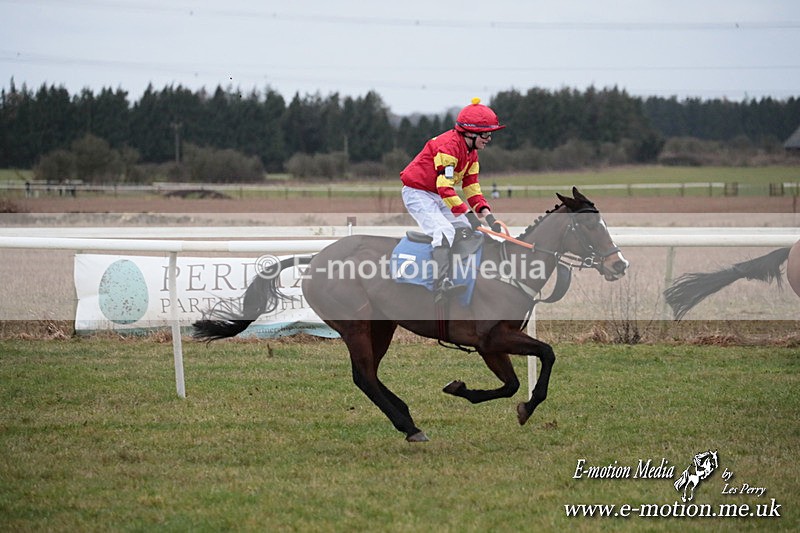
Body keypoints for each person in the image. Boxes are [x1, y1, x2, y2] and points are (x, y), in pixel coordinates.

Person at [400, 97, 504, 302]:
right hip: (417, 193)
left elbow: (471, 187)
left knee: (468, 229)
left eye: (490, 133)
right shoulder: (448, 147)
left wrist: (487, 217)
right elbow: (445, 187)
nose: (489, 138)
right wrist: (467, 213)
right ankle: (439, 285)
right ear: (471, 132)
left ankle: (463, 275)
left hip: (438, 195)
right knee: (444, 231)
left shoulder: (471, 153)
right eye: (486, 133)